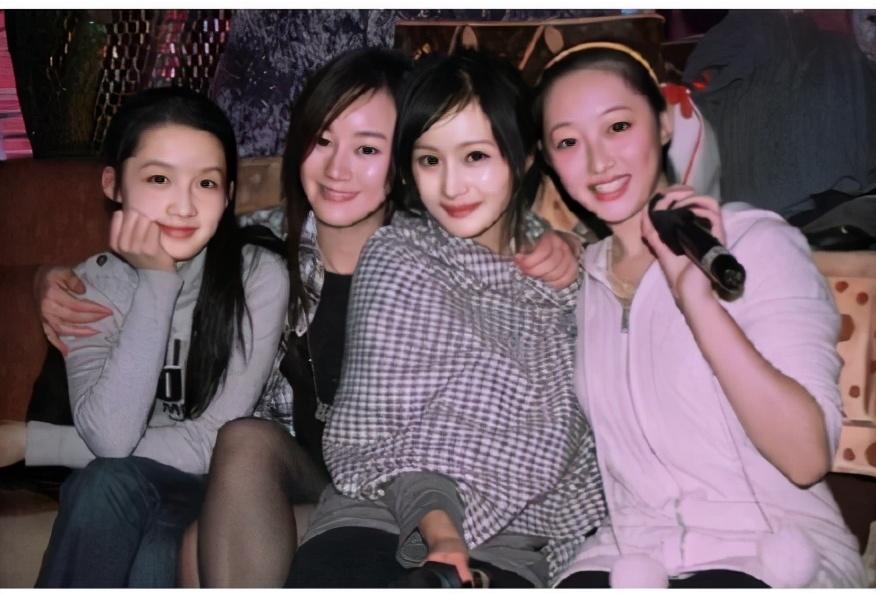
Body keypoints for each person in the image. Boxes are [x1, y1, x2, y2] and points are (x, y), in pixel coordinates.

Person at [20, 47, 582, 588]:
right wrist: (50, 276)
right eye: (322, 140)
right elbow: (158, 255)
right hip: (291, 478)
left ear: (406, 160)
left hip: (401, 487)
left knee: (186, 538)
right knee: (230, 458)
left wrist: (562, 245)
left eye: (367, 148)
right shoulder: (263, 245)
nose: (337, 169)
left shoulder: (437, 252)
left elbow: (510, 253)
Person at [533, 41, 866, 587]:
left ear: (663, 124)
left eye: (618, 127)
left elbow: (805, 457)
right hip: (629, 556)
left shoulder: (754, 244)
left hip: (771, 551)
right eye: (568, 141)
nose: (598, 161)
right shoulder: (582, 279)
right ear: (550, 162)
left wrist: (696, 299)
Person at [286, 48, 606, 589]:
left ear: (526, 156)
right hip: (377, 514)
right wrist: (441, 533)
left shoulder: (573, 279)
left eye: (475, 156)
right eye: (430, 160)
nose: (452, 186)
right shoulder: (397, 256)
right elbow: (378, 434)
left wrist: (575, 250)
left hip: (511, 542)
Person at [0, 86, 289, 587]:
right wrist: (157, 281)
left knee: (112, 493)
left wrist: (35, 441)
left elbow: (210, 445)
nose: (184, 206)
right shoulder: (88, 289)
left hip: (229, 490)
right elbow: (110, 439)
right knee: (123, 505)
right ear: (113, 184)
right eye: (159, 178)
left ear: (228, 195)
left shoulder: (258, 276)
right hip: (127, 483)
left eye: (206, 183)